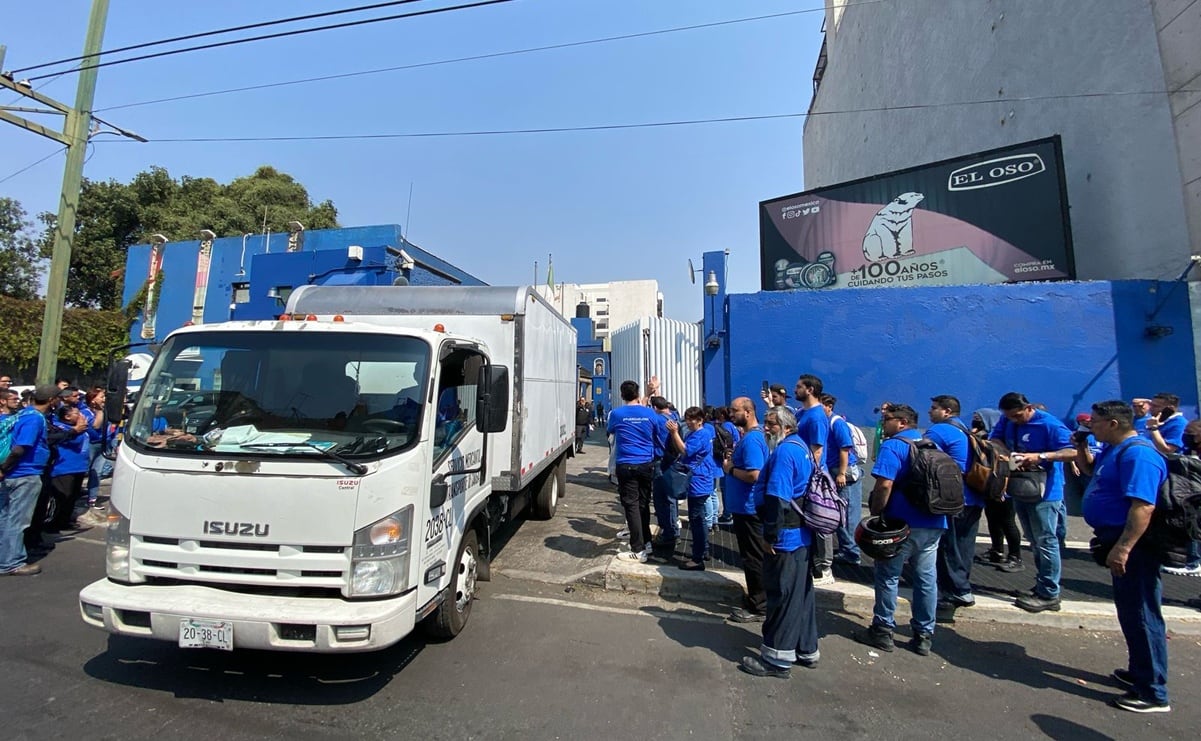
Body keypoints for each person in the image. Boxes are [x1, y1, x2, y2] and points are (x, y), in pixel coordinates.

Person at [1078, 400, 1171, 713]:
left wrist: (1124, 547)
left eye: (1097, 422)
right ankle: (1141, 671)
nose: (1092, 426)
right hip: (1114, 539)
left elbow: (1143, 506)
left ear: (1114, 424)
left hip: (1135, 548)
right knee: (1131, 613)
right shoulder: (1113, 450)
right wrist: (1081, 448)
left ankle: (1153, 692)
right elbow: (1091, 471)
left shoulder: (1139, 454)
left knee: (1143, 614)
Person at [855, 404, 947, 656]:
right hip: (934, 522)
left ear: (902, 423)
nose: (883, 424)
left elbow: (884, 484)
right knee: (926, 580)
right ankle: (923, 635)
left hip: (900, 524)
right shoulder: (932, 445)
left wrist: (876, 512)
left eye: (887, 420)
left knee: (888, 576)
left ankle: (882, 629)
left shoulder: (894, 446)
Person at [738, 406, 820, 678]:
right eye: (765, 423)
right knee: (801, 595)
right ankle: (806, 650)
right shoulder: (801, 447)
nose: (765, 428)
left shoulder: (785, 452)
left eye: (771, 424)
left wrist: (769, 536)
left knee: (781, 595)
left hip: (786, 537)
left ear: (786, 427)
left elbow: (777, 498)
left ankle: (777, 659)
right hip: (802, 537)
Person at [992, 392, 1075, 613]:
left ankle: (1049, 593)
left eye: (1018, 416)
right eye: (1010, 417)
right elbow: (995, 438)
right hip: (1021, 488)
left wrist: (1041, 457)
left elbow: (1072, 452)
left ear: (1029, 408)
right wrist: (1008, 453)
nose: (1014, 420)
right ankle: (1042, 585)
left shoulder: (1049, 424)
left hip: (1045, 492)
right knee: (1034, 540)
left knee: (1046, 541)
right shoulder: (1007, 419)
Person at [925, 395, 980, 612]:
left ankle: (953, 592)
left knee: (948, 546)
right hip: (974, 497)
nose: (930, 412)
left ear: (946, 411)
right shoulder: (964, 430)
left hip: (952, 498)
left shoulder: (939, 431)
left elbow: (924, 460)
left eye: (934, 408)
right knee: (965, 546)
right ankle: (963, 587)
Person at [0, 384, 55, 576]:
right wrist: (3, 469)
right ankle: (11, 562)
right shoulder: (34, 418)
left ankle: (5, 557)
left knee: (6, 518)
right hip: (24, 474)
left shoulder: (23, 414)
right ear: (51, 400)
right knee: (17, 520)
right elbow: (20, 447)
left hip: (13, 474)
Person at [724, 397, 771, 622]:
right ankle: (756, 598)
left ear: (749, 412)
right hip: (744, 508)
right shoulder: (751, 437)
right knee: (751, 555)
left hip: (749, 509)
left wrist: (730, 469)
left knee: (753, 557)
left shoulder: (752, 440)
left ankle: (759, 605)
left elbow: (754, 475)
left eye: (735, 411)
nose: (731, 414)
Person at [608, 380, 659, 562]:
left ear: (622, 395)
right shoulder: (650, 413)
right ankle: (646, 543)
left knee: (631, 506)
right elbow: (656, 432)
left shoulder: (617, 414)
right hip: (646, 463)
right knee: (643, 505)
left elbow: (611, 431)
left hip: (626, 464)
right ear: (637, 394)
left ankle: (638, 550)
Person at [666, 407, 720, 570]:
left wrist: (674, 433)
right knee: (698, 517)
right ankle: (702, 550)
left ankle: (698, 557)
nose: (688, 422)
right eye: (687, 419)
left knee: (697, 518)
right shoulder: (695, 434)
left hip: (699, 479)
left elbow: (685, 450)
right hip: (698, 478)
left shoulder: (701, 435)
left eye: (692, 419)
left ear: (700, 420)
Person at [794, 374, 832, 584]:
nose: (795, 389)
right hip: (803, 475)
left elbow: (817, 450)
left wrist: (807, 476)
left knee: (819, 520)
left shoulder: (817, 416)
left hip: (811, 478)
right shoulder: (803, 413)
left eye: (799, 387)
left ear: (809, 390)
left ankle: (824, 568)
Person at [822, 394, 863, 565]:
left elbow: (844, 449)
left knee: (847, 514)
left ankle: (853, 553)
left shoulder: (837, 423)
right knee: (840, 513)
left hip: (845, 474)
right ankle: (848, 548)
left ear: (829, 406)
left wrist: (841, 473)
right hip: (834, 471)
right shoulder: (825, 422)